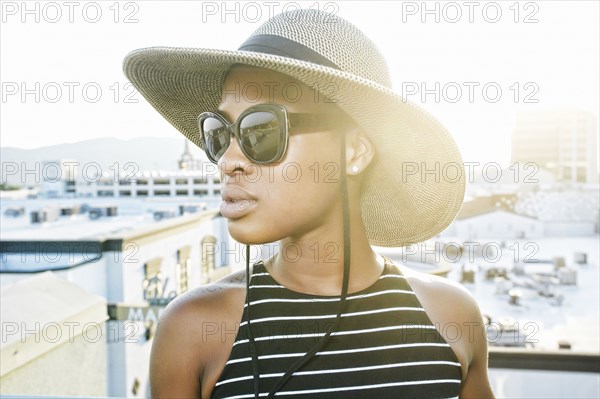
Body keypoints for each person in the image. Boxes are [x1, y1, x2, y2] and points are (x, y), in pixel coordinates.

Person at [124, 9, 495, 399]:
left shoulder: (451, 318)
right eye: (219, 133)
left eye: (260, 130)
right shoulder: (193, 329)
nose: (228, 160)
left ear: (354, 150)